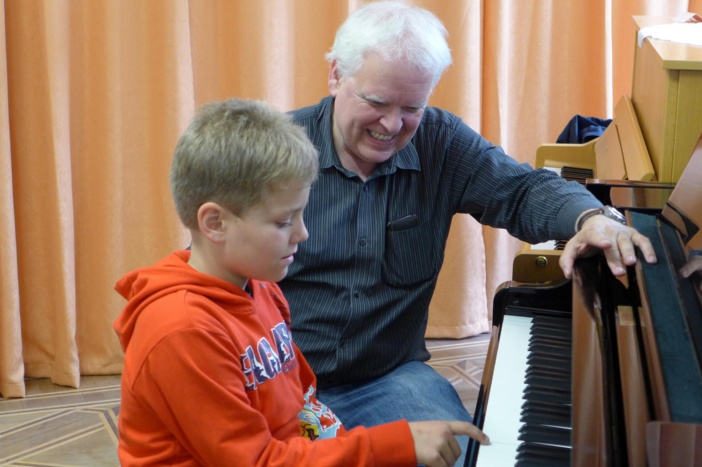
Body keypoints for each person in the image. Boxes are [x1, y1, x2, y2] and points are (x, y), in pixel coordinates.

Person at [278, 1, 658, 463]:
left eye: (411, 107)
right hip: (279, 384)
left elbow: (521, 190)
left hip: (389, 378)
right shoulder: (275, 151)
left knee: (459, 457)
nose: (392, 125)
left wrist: (592, 217)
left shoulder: (441, 142)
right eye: (376, 103)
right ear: (336, 75)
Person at [113, 98, 488, 466]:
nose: (303, 234)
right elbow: (257, 461)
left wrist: (355, 444)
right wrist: (388, 445)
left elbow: (302, 408)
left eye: (301, 215)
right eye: (283, 222)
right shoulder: (180, 331)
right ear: (215, 223)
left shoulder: (259, 285)